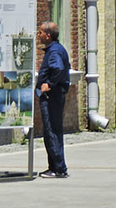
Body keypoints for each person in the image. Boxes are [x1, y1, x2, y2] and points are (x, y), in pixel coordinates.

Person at [36, 21, 70, 179]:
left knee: (51, 130)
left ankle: (58, 168)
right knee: (53, 130)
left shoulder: (54, 52)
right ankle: (55, 167)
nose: (39, 35)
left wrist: (48, 84)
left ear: (48, 35)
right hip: (55, 94)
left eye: (41, 32)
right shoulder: (56, 49)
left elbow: (57, 69)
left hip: (52, 96)